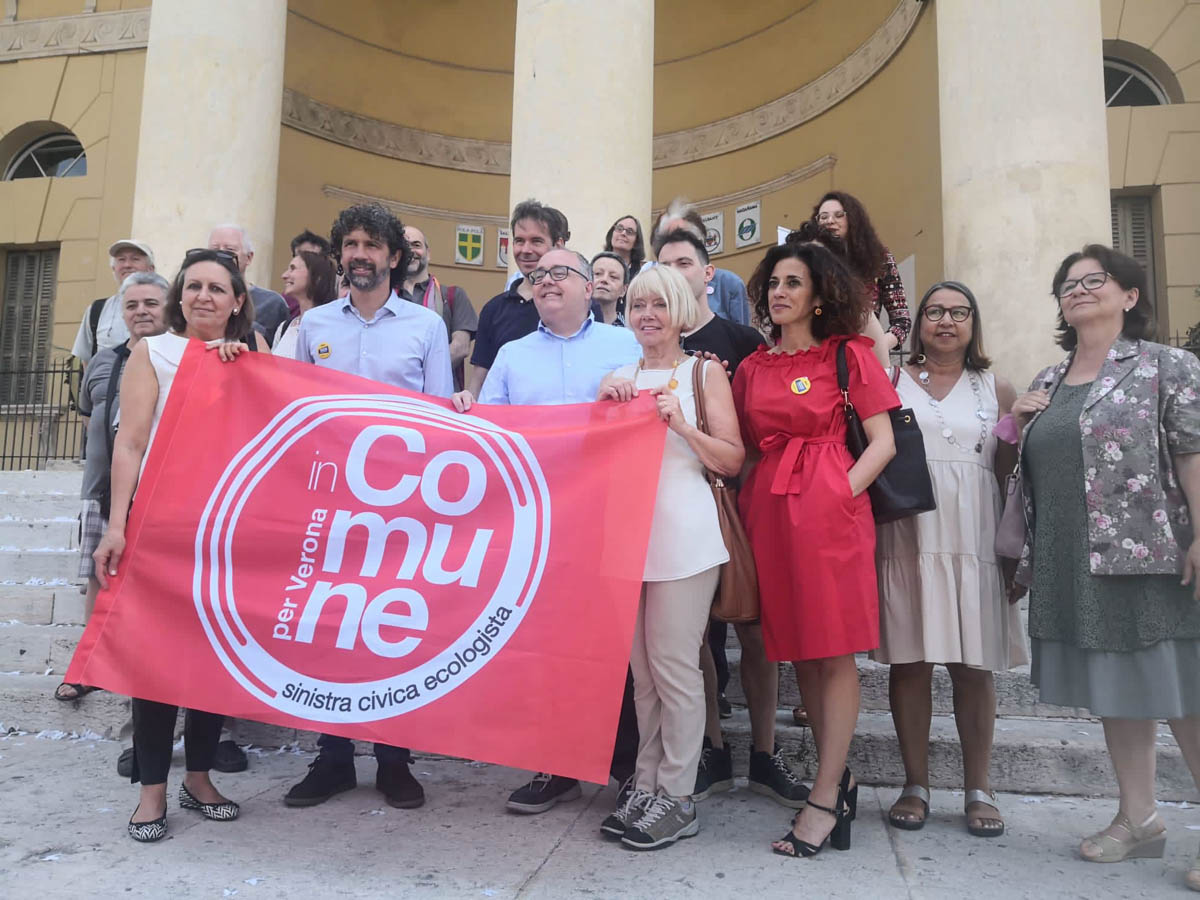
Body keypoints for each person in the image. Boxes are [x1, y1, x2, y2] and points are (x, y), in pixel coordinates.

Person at [1011, 245, 1200, 889]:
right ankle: (1138, 818)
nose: (1080, 290)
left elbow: (1191, 451)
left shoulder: (1167, 365)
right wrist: (1017, 422)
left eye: (1095, 280)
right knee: (1121, 691)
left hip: (1154, 555)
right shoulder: (1049, 377)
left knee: (1184, 692)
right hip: (1076, 558)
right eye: (1068, 284)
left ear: (1129, 295)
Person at [452, 248, 642, 815]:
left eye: (561, 273)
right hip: (539, 526)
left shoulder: (626, 345)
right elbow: (493, 436)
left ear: (589, 286)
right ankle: (556, 765)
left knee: (616, 647)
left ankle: (629, 768)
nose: (547, 281)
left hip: (610, 521)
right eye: (538, 276)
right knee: (548, 649)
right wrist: (465, 409)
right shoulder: (512, 355)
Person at [91, 248, 265, 841]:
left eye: (217, 288)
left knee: (212, 658)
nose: (203, 297)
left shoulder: (255, 356)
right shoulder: (153, 352)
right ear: (179, 296)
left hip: (226, 532)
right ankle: (151, 792)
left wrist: (242, 370)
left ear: (237, 301)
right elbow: (130, 444)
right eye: (193, 286)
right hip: (161, 527)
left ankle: (200, 777)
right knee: (156, 662)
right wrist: (118, 525)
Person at [286, 203, 452, 812]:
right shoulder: (312, 325)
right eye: (351, 244)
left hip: (399, 504)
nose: (361, 254)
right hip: (330, 503)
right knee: (330, 626)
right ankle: (331, 759)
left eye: (372, 245)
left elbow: (438, 416)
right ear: (340, 255)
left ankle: (394, 760)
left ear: (393, 257)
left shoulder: (426, 327)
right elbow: (292, 408)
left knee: (390, 627)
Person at [734, 241, 898, 858]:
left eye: (794, 282)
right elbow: (743, 449)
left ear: (820, 295)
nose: (779, 292)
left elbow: (883, 442)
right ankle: (838, 783)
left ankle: (825, 796)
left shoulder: (848, 354)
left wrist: (837, 493)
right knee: (798, 650)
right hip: (769, 514)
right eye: (774, 282)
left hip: (831, 514)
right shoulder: (751, 368)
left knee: (832, 650)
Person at [654, 228, 809, 808]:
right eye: (663, 263)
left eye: (684, 262)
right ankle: (712, 751)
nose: (674, 271)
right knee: (692, 639)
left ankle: (765, 753)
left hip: (743, 503)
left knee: (754, 631)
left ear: (706, 273)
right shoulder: (647, 344)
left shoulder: (742, 340)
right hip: (682, 512)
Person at [599, 263, 744, 849]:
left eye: (658, 304)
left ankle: (678, 795)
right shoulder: (617, 377)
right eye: (638, 305)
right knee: (642, 674)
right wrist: (603, 410)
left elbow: (732, 458)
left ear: (680, 311)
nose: (647, 315)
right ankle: (647, 783)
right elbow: (596, 464)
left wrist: (681, 425)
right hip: (628, 538)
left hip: (686, 538)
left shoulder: (703, 372)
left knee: (675, 668)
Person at [874, 281, 1027, 837]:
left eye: (959, 312)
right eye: (935, 311)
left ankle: (978, 788)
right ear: (918, 323)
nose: (946, 321)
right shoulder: (891, 380)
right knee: (910, 663)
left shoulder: (997, 386)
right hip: (909, 536)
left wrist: (1013, 552)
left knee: (973, 667)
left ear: (973, 323)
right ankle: (915, 784)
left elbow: (1008, 472)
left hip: (975, 539)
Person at [55, 271, 170, 704]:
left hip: (160, 493)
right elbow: (89, 415)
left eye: (151, 303)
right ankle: (88, 667)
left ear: (169, 307)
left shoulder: (179, 358)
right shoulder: (102, 361)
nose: (141, 312)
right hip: (101, 489)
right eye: (132, 305)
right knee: (97, 578)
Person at [467, 199, 568, 398]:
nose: (526, 250)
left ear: (558, 245)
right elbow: (479, 382)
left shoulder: (581, 305)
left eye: (536, 241)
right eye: (519, 241)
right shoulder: (493, 309)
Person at [812, 191, 910, 352]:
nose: (830, 221)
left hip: (864, 355)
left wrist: (876, 348)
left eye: (838, 215)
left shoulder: (879, 258)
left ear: (854, 219)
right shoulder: (809, 260)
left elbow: (902, 321)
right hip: (819, 354)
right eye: (823, 217)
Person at [403, 225, 479, 391]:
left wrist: (416, 376)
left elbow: (460, 347)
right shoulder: (385, 298)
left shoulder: (453, 295)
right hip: (397, 396)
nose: (410, 251)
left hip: (440, 396)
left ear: (428, 253)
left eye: (416, 245)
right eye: (404, 246)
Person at [652, 199, 750, 326]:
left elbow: (740, 332)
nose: (675, 239)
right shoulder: (649, 286)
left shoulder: (729, 284)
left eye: (682, 234)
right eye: (666, 235)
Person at [72, 240, 156, 365]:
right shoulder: (97, 310)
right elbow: (87, 361)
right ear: (113, 269)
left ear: (150, 269)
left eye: (135, 259)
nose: (127, 265)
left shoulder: (169, 309)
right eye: (121, 259)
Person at [208, 224, 290, 347]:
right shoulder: (198, 298)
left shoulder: (272, 303)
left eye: (230, 250)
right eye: (214, 250)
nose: (221, 255)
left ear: (249, 257)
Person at [273, 251, 337, 359]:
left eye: (293, 268)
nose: (284, 275)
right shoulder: (284, 327)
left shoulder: (334, 328)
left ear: (317, 277)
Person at [590, 251, 629, 326]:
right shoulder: (571, 323)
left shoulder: (629, 329)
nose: (604, 280)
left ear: (624, 290)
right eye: (598, 273)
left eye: (613, 277)